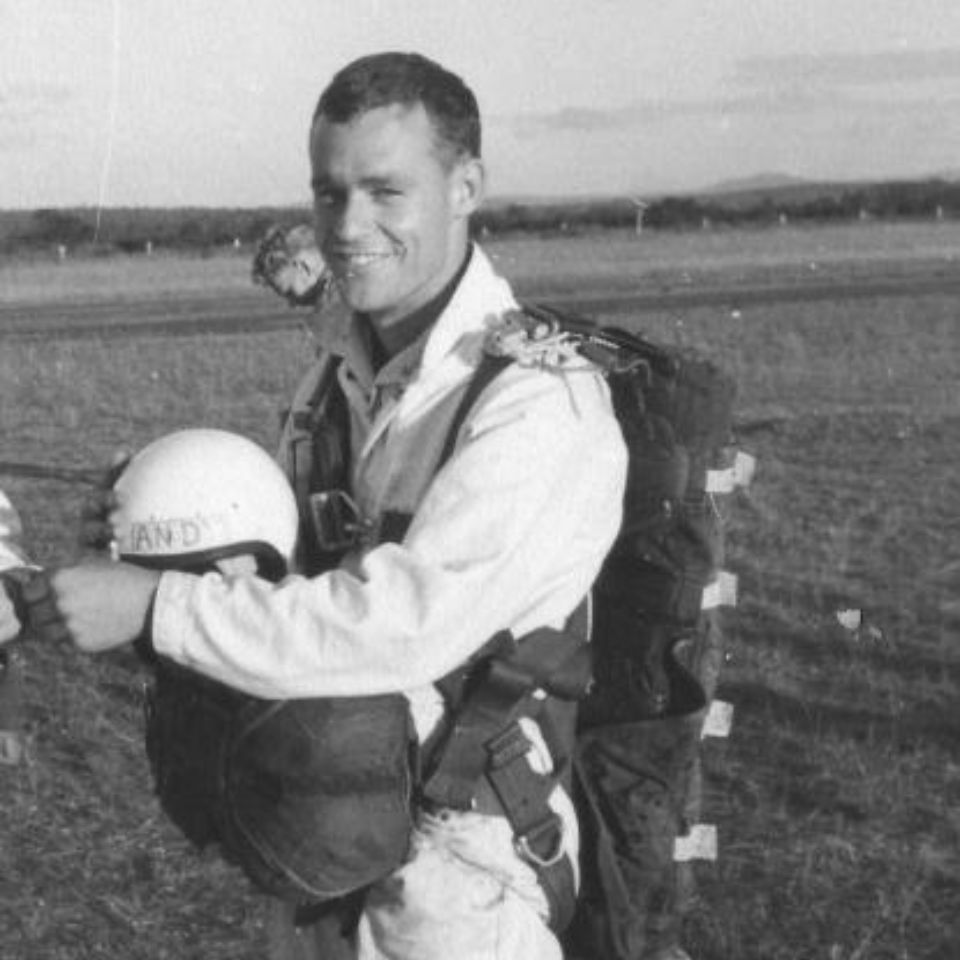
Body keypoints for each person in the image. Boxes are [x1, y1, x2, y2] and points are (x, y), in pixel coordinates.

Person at [46, 52, 628, 960]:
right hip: (326, 837)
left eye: (385, 192)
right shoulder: (341, 372)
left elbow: (399, 627)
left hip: (462, 882)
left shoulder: (539, 402)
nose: (347, 226)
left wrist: (159, 608)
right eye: (329, 192)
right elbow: (296, 567)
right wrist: (173, 530)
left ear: (465, 186)